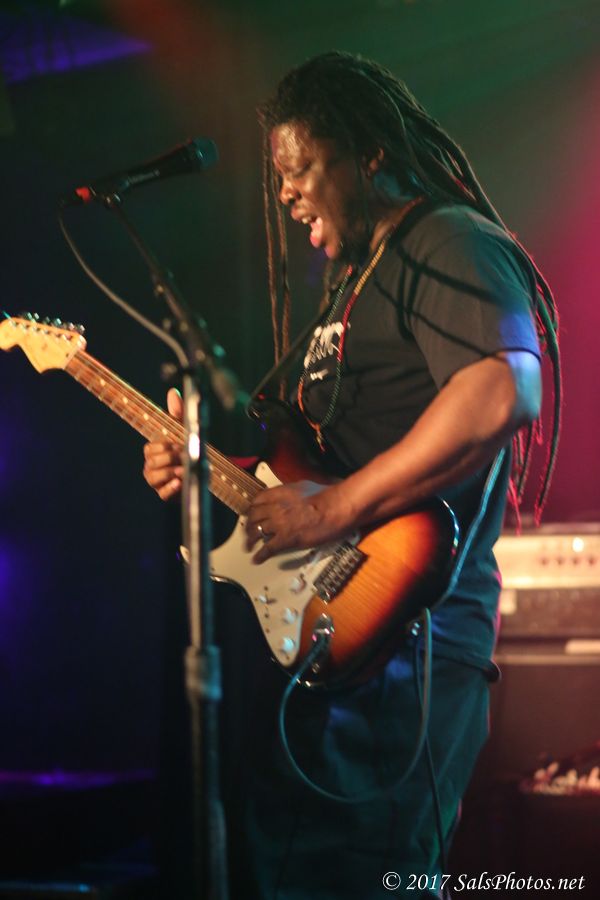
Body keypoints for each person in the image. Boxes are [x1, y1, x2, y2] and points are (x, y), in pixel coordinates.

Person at [143, 52, 560, 899]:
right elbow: (319, 464)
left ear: (368, 156)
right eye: (279, 177)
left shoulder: (447, 240)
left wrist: (331, 511)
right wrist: (210, 472)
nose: (285, 194)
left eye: (300, 169)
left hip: (412, 647)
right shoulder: (352, 283)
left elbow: (502, 388)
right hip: (333, 639)